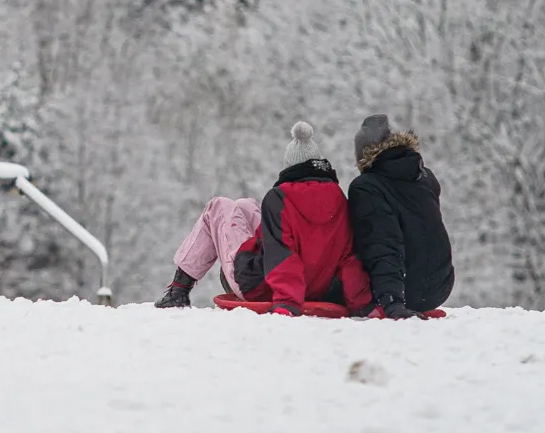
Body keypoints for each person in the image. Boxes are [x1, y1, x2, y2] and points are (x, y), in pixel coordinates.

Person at [154, 122, 372, 315]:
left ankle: (179, 289)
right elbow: (348, 258)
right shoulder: (340, 199)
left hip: (262, 288)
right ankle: (180, 288)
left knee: (218, 206)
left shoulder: (280, 198)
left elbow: (282, 255)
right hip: (314, 286)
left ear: (290, 166)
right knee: (244, 206)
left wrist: (287, 303)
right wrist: (363, 303)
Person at [346, 114, 455, 318]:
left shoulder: (367, 187)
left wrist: (391, 301)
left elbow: (383, 244)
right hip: (441, 286)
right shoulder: (425, 176)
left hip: (405, 292)